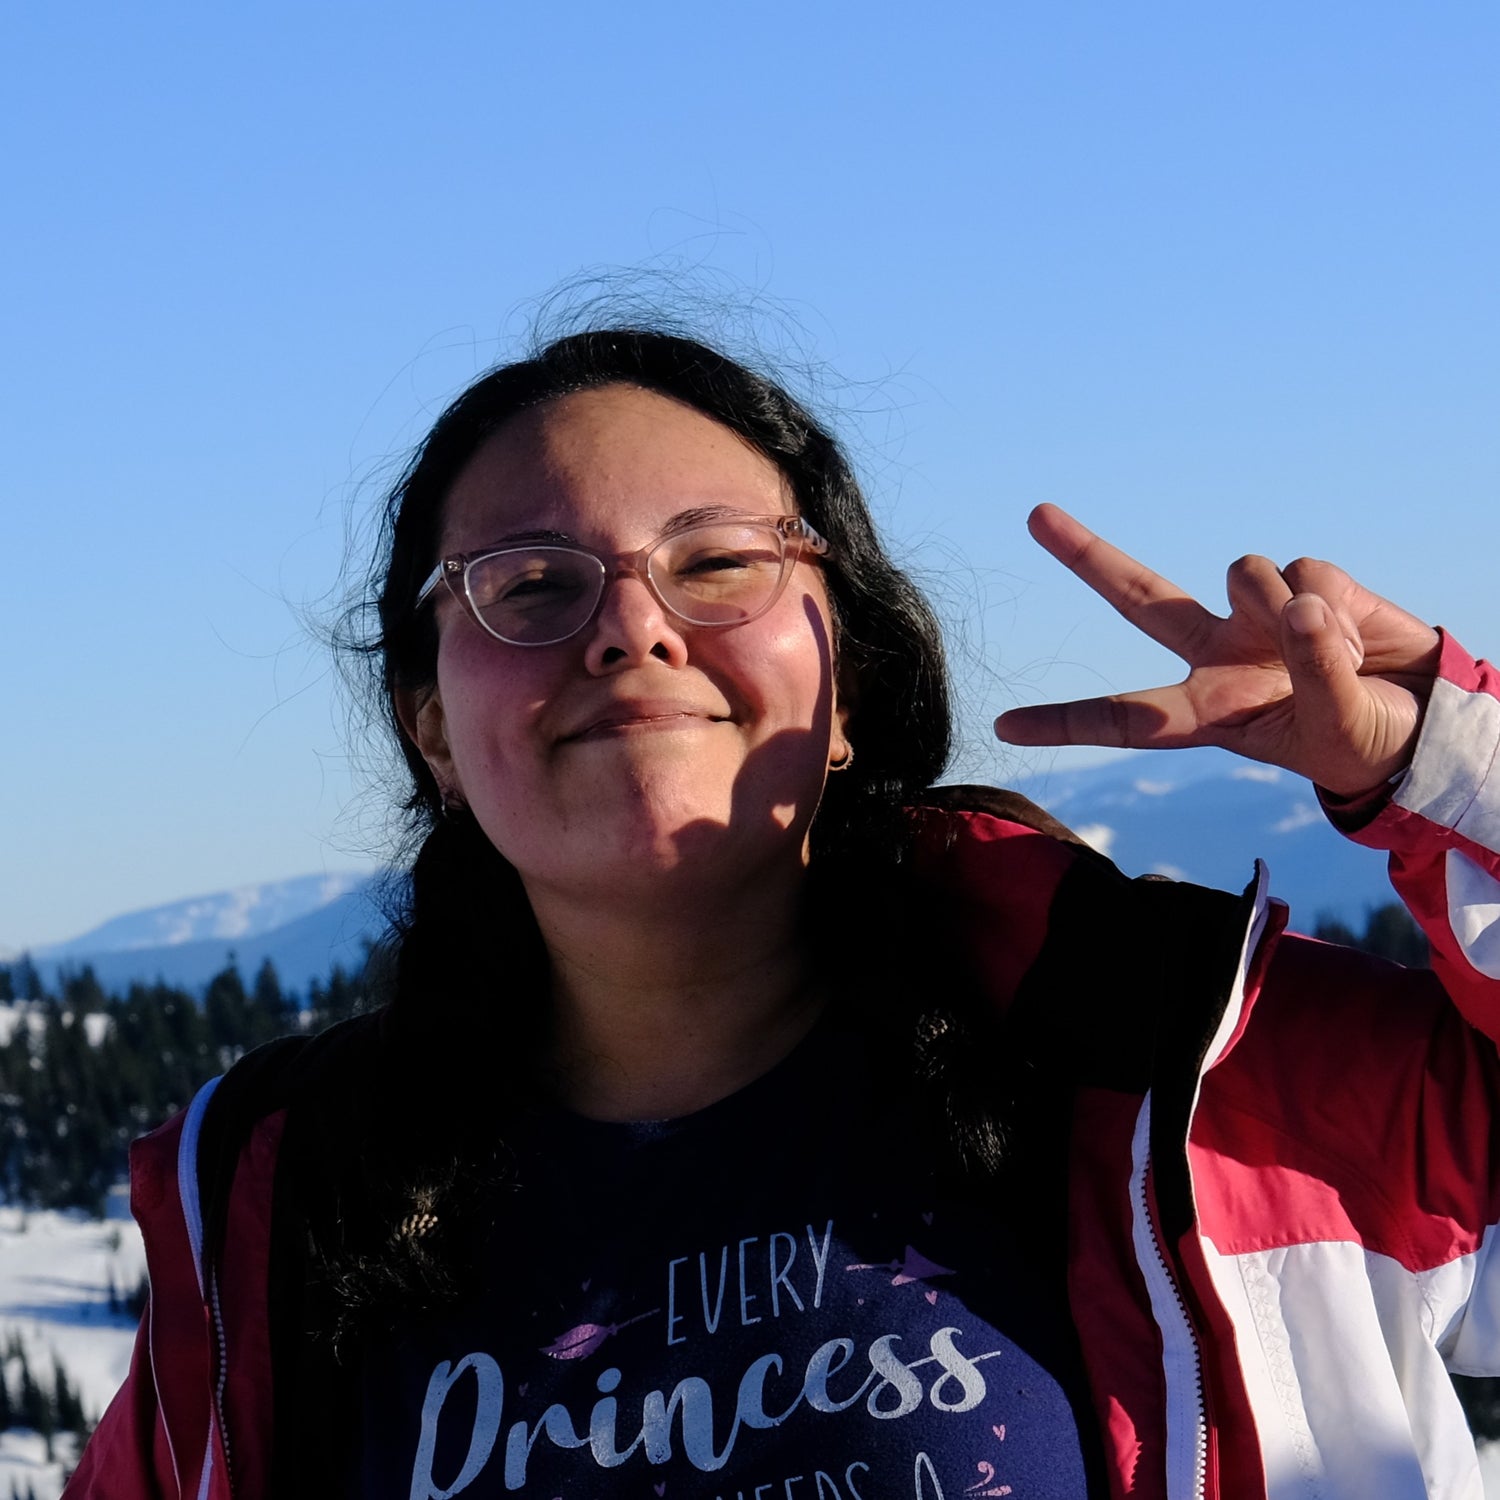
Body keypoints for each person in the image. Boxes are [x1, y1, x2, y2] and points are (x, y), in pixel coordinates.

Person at [66, 328, 1500, 1500]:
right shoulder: (285, 1197)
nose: (630, 628)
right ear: (432, 729)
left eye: (716, 563)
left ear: (849, 684)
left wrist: (1431, 757)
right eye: (530, 586)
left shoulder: (1184, 1064)